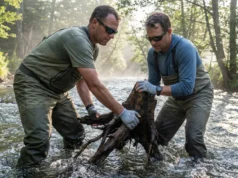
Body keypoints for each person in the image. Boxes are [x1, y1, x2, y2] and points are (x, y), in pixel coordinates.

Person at [14, 5, 140, 168]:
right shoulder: (77, 39)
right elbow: (95, 85)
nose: (112, 36)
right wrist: (122, 112)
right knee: (38, 142)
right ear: (94, 23)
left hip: (57, 92)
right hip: (33, 83)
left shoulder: (93, 49)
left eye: (114, 32)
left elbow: (82, 81)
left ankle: (69, 167)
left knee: (76, 136)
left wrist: (90, 108)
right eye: (109, 30)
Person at [135, 12, 214, 161]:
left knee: (193, 138)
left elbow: (186, 87)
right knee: (156, 137)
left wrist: (157, 90)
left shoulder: (185, 48)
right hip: (176, 98)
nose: (153, 43)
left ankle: (202, 169)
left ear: (169, 31)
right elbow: (153, 84)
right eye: (150, 38)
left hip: (199, 94)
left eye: (157, 38)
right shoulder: (153, 54)